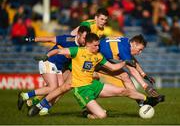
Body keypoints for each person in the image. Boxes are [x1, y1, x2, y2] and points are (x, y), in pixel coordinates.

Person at [28, 33, 160, 118]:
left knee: (123, 86)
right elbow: (58, 50)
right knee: (64, 87)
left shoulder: (101, 53)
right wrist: (46, 55)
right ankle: (40, 104)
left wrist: (136, 70)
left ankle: (144, 101)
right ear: (89, 44)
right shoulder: (79, 50)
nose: (98, 47)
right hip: (83, 79)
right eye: (96, 45)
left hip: (94, 75)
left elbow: (118, 65)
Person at [17, 26, 91, 115]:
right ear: (78, 35)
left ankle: (44, 109)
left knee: (60, 89)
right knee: (53, 87)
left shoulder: (83, 47)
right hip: (48, 61)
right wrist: (31, 39)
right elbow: (49, 39)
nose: (85, 40)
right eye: (84, 38)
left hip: (58, 68)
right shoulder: (67, 39)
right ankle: (25, 96)